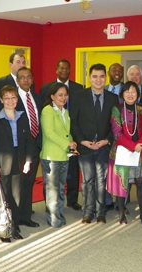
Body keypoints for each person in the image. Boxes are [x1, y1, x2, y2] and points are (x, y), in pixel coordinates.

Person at [70, 63, 119, 224]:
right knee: (87, 180)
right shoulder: (78, 96)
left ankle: (100, 212)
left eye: (102, 76)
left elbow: (116, 124)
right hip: (85, 146)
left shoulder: (112, 98)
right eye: (95, 76)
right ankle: (88, 211)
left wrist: (106, 140)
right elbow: (74, 122)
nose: (99, 80)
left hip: (104, 145)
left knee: (101, 180)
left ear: (106, 78)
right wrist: (82, 141)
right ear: (89, 78)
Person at [0, 85, 35, 240]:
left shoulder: (22, 117)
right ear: (1, 100)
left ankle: (14, 227)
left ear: (17, 100)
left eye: (13, 97)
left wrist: (28, 161)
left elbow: (29, 141)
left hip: (19, 161)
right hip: (2, 163)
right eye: (6, 98)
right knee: (3, 197)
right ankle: (4, 230)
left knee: (16, 196)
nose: (10, 101)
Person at [39, 59, 83, 211]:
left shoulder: (78, 88)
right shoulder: (46, 90)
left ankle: (72, 200)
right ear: (57, 70)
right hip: (53, 146)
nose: (64, 70)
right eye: (61, 68)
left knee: (71, 174)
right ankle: (50, 207)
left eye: (67, 68)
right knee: (52, 182)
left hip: (70, 138)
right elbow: (48, 129)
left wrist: (73, 141)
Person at [107, 81, 142, 225]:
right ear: (122, 94)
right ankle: (121, 214)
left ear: (137, 94)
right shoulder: (116, 109)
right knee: (122, 183)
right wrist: (133, 146)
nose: (130, 94)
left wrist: (140, 144)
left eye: (133, 91)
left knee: (140, 182)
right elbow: (117, 133)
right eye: (127, 92)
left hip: (140, 152)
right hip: (122, 151)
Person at [39, 83, 76, 227]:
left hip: (63, 155)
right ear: (52, 96)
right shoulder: (47, 111)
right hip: (51, 156)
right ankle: (54, 219)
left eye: (65, 95)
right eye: (60, 95)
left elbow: (67, 132)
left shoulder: (65, 111)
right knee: (52, 190)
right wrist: (67, 144)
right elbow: (50, 134)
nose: (63, 97)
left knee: (60, 188)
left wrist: (72, 142)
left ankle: (58, 214)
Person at [15, 67, 42, 227]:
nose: (26, 80)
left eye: (29, 77)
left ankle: (26, 216)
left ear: (32, 80)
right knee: (18, 183)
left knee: (29, 182)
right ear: (17, 80)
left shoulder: (37, 98)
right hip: (19, 148)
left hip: (34, 146)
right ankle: (16, 217)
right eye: (22, 77)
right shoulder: (13, 98)